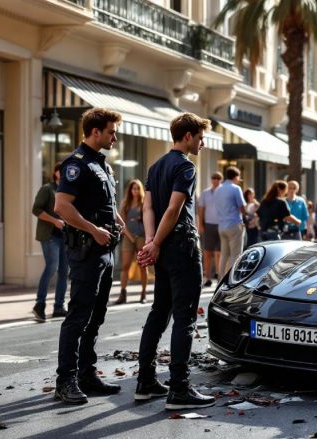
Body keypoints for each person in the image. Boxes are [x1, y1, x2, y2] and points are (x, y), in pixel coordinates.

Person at [135, 113, 215, 410]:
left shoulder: (156, 166)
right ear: (188, 136)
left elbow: (147, 208)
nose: (202, 143)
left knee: (159, 312)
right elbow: (173, 209)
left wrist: (150, 241)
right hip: (180, 248)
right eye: (200, 137)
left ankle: (145, 382)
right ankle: (179, 389)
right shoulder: (185, 167)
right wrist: (154, 243)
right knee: (185, 318)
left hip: (162, 249)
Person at [54, 108, 126, 404]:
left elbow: (106, 205)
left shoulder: (102, 165)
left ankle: (87, 374)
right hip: (86, 249)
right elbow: (61, 206)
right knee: (78, 315)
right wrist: (94, 229)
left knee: (96, 316)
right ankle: (65, 380)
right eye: (111, 132)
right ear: (95, 131)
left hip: (105, 248)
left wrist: (119, 224)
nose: (115, 137)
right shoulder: (76, 164)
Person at [31, 162, 68, 322]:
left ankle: (59, 307)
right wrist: (54, 221)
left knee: (64, 272)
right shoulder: (47, 189)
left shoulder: (67, 190)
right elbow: (36, 210)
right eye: (62, 171)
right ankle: (39, 305)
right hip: (49, 236)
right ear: (56, 173)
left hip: (65, 237)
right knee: (52, 267)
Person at [115, 179, 148, 305]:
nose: (134, 191)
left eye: (137, 188)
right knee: (125, 266)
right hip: (128, 238)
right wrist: (129, 236)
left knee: (142, 266)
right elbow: (121, 222)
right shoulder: (125, 203)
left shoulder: (144, 203)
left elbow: (148, 220)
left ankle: (143, 294)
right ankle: (122, 294)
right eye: (132, 188)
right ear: (129, 190)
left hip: (141, 237)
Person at [215, 167, 246, 275]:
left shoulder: (218, 189)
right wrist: (247, 215)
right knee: (235, 254)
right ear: (236, 176)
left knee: (224, 254)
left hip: (221, 225)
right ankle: (231, 280)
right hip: (234, 224)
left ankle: (220, 279)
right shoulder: (235, 188)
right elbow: (242, 207)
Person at [197, 172, 222, 287]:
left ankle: (218, 275)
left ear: (221, 179)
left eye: (218, 178)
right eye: (213, 177)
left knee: (219, 253)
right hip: (208, 225)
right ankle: (207, 278)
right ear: (211, 179)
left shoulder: (223, 192)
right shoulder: (205, 193)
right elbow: (201, 209)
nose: (215, 179)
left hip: (222, 224)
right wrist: (200, 224)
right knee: (207, 253)